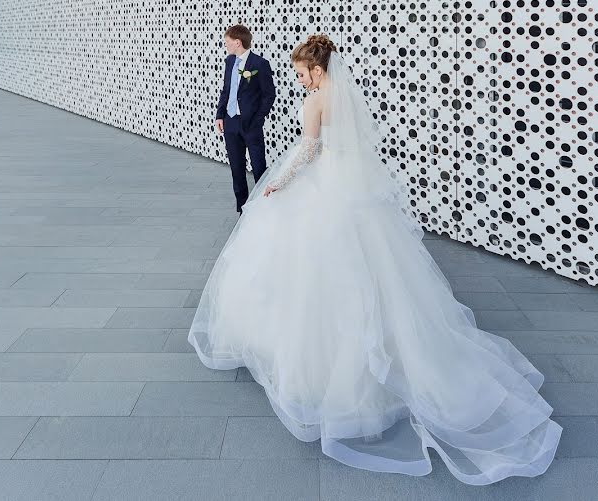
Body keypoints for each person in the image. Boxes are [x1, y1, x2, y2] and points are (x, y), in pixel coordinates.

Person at [189, 34, 561, 485]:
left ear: (317, 71)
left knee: (310, 270)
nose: (299, 79)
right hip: (352, 192)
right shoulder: (343, 98)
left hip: (320, 191)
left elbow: (307, 153)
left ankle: (320, 367)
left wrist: (278, 184)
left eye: (302, 73)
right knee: (373, 273)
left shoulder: (314, 104)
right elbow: (349, 148)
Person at [215, 25, 275, 213]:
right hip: (230, 122)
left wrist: (258, 119)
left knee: (259, 167)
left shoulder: (259, 64)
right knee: (236, 167)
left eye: (227, 42)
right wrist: (220, 114)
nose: (225, 45)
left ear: (238, 42)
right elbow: (226, 90)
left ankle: (264, 207)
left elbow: (269, 95)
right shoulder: (229, 62)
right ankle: (242, 210)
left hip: (251, 124)